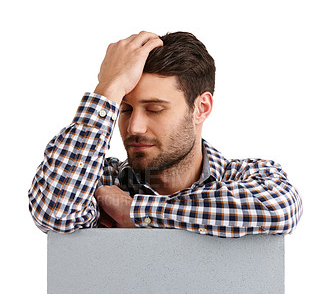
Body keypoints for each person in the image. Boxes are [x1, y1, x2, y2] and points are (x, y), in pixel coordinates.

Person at [28, 31, 302, 237]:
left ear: (201, 108)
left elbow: (279, 208)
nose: (134, 127)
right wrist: (108, 88)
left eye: (155, 109)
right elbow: (54, 211)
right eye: (123, 109)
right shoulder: (100, 182)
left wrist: (135, 212)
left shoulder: (245, 178)